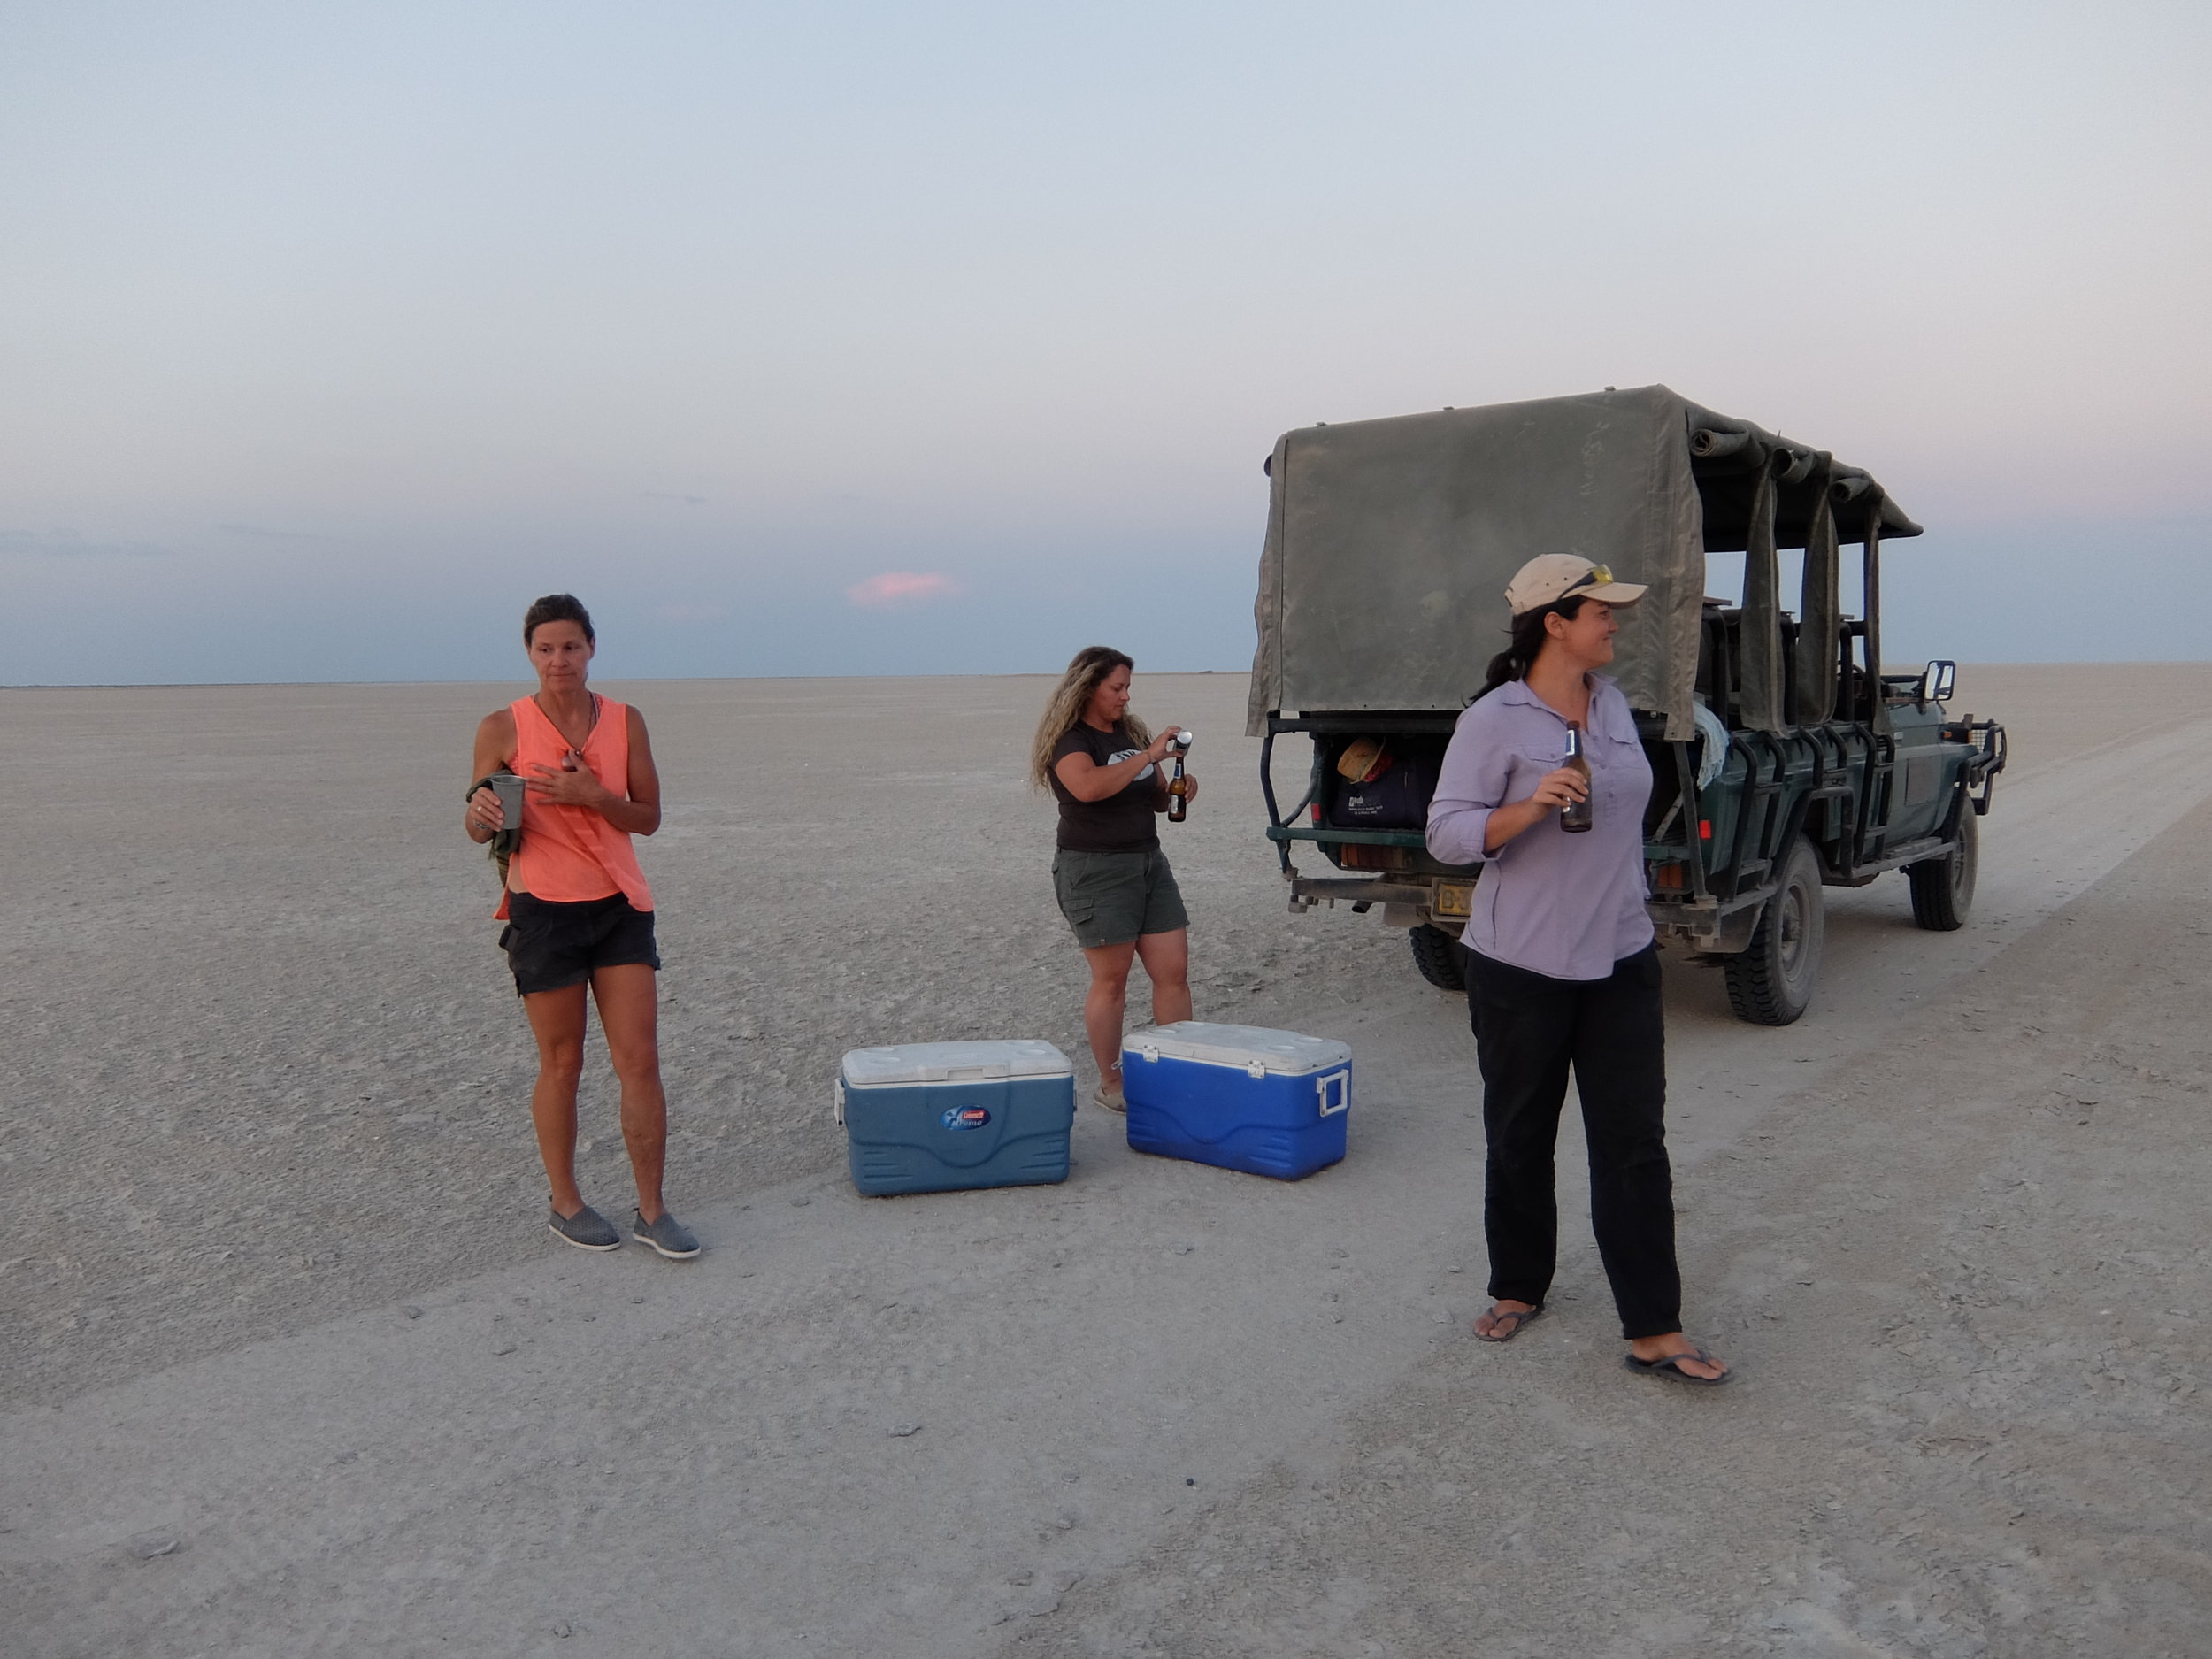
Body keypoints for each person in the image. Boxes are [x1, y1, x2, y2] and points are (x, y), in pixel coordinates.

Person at [1425, 556, 1728, 1384]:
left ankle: (1654, 1327)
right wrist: (1529, 806)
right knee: (1519, 1135)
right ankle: (1518, 1284)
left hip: (1621, 957)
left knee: (1634, 1144)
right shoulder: (1495, 720)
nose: (1614, 624)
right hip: (1520, 963)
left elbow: (1627, 818)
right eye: (1601, 612)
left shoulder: (1616, 706)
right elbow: (1446, 835)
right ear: (1555, 623)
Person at [465, 594, 700, 1261]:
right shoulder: (501, 727)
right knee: (563, 1062)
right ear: (530, 654)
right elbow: (478, 821)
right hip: (542, 910)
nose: (558, 659)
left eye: (570, 646)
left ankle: (653, 1210)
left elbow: (648, 817)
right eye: (545, 648)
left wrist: (594, 796)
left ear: (591, 648)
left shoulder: (626, 722)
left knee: (641, 1060)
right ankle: (565, 1202)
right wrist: (483, 813)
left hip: (619, 904)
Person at [1032, 647, 1199, 1111]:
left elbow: (1157, 798)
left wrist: (1176, 788)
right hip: (1096, 870)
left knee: (1174, 973)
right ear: (1088, 689)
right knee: (1112, 982)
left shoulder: (1128, 733)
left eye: (1128, 688)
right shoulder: (1071, 741)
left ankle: (1178, 1067)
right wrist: (1147, 753)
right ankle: (1111, 1083)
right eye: (1117, 688)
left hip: (1148, 862)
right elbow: (1088, 788)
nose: (1126, 697)